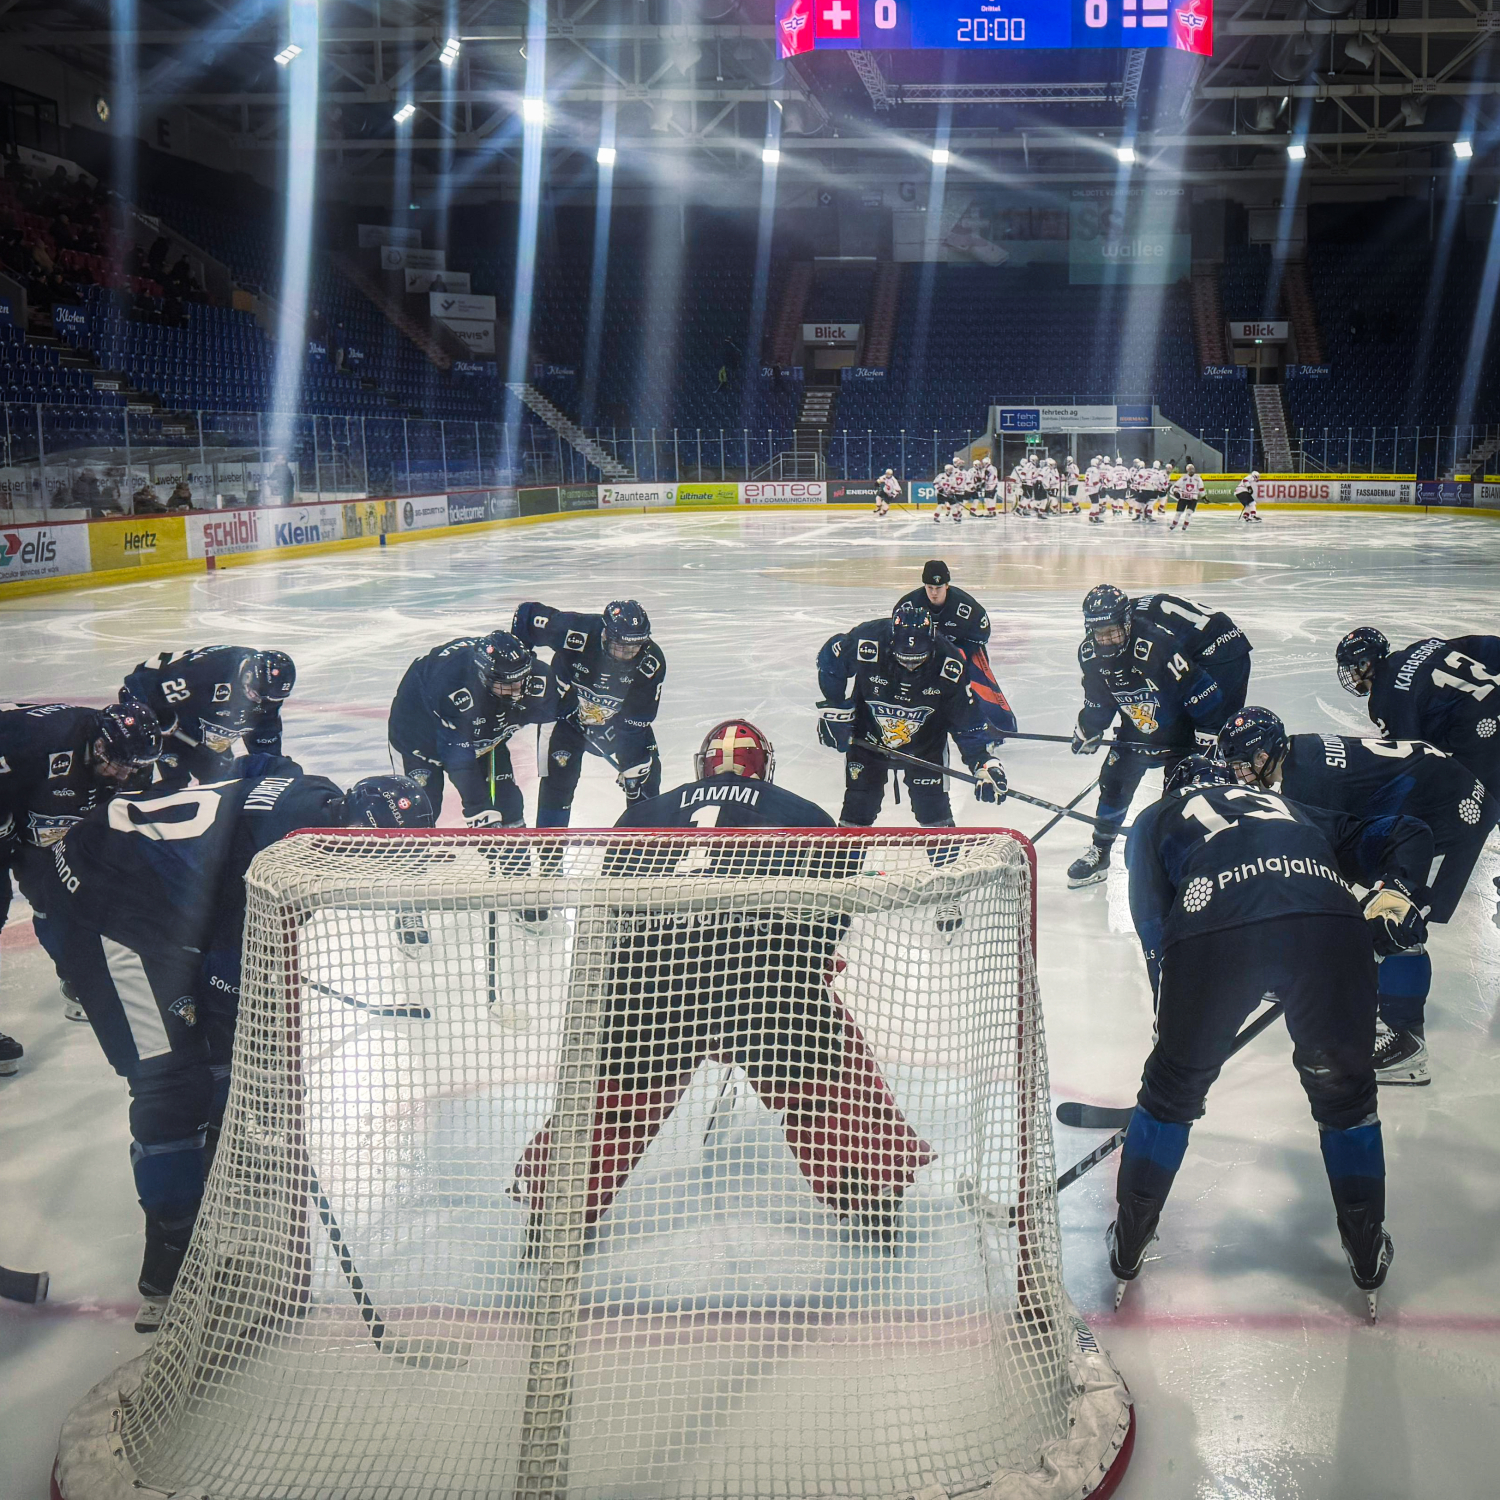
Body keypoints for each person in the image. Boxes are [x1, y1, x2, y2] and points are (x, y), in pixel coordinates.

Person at [512, 720, 934, 1248]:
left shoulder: (643, 813)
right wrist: (809, 964)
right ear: (766, 765)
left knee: (611, 1103)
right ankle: (874, 1205)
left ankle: (555, 1215)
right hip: (766, 988)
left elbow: (612, 914)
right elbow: (832, 915)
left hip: (656, 986)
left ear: (701, 766)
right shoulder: (805, 815)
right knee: (834, 1086)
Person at [41, 766, 434, 1331]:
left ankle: (213, 1154)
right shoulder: (281, 857)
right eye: (376, 856)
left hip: (148, 885)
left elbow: (255, 782)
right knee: (172, 1083)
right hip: (106, 906)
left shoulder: (316, 806)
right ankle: (171, 1265)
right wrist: (242, 1017)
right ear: (352, 833)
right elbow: (231, 963)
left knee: (223, 1050)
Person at [1119, 755, 1435, 1319]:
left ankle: (1128, 1244)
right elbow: (1406, 830)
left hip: (1215, 925)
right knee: (1345, 1100)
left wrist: (1176, 1038)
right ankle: (1365, 1251)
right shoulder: (1289, 807)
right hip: (1329, 922)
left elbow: (1154, 930)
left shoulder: (1153, 819)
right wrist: (1397, 890)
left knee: (1171, 1094)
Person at [1219, 706, 1500, 1085]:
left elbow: (1324, 869)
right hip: (1429, 798)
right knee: (1367, 900)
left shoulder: (1307, 782)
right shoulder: (1298, 758)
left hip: (1450, 814)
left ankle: (1407, 1043)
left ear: (1265, 754)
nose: (1240, 775)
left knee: (1397, 918)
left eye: (1243, 764)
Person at [816, 603, 1007, 931]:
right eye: (904, 658)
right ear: (892, 640)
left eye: (917, 659)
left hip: (926, 747)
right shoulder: (868, 640)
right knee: (856, 813)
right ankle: (840, 890)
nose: (910, 664)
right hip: (869, 741)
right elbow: (829, 660)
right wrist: (835, 707)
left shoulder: (950, 662)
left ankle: (948, 891)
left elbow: (967, 723)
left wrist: (983, 762)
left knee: (935, 816)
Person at [1066, 585, 1238, 889]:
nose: (1105, 640)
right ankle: (1101, 851)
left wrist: (1208, 733)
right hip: (1139, 724)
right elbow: (1099, 701)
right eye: (1098, 632)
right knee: (1114, 780)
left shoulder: (1157, 644)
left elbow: (1202, 691)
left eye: (1113, 631)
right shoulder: (1089, 654)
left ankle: (1174, 859)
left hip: (1180, 726)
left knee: (1179, 794)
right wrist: (1089, 729)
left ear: (1127, 622)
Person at [0, 700, 163, 1020]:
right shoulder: (36, 741)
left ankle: (79, 978)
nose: (126, 773)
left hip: (36, 821)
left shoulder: (132, 757)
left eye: (135, 767)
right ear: (99, 744)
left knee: (58, 901)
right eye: (119, 764)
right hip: (9, 799)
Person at [512, 599, 666, 826]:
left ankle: (643, 854)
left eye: (635, 647)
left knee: (644, 779)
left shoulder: (651, 663)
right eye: (621, 646)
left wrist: (632, 764)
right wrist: (523, 669)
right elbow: (526, 614)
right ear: (605, 635)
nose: (628, 654)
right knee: (556, 786)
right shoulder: (575, 629)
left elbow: (635, 723)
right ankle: (550, 860)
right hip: (564, 718)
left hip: (616, 722)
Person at [388, 631, 556, 826]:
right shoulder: (450, 684)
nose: (518, 691)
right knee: (419, 813)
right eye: (507, 684)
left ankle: (516, 857)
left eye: (521, 679)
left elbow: (560, 715)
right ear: (483, 676)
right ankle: (416, 855)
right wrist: (477, 808)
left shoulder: (536, 676)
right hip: (419, 742)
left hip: (481, 736)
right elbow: (458, 758)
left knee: (508, 805)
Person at [1335, 626, 1500, 795]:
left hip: (1484, 732)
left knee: (1464, 794)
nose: (1352, 676)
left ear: (1365, 664)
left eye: (1351, 668)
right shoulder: (1426, 646)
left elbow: (1409, 755)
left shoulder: (1384, 696)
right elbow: (1490, 647)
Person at [123, 646, 297, 788]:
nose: (259, 702)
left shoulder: (267, 699)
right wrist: (160, 715)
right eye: (255, 693)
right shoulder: (211, 669)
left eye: (268, 699)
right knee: (174, 783)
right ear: (248, 674)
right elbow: (138, 683)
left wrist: (276, 771)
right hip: (161, 705)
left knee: (218, 781)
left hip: (198, 719)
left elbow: (265, 747)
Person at [895, 559, 1018, 737]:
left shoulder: (968, 607)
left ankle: (997, 724)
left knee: (976, 678)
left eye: (938, 588)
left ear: (947, 585)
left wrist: (960, 654)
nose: (934, 593)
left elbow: (981, 636)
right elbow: (897, 638)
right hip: (922, 654)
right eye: (930, 588)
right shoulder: (908, 606)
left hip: (961, 651)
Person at [1127, 588, 1254, 729]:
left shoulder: (1139, 626)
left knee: (1216, 725)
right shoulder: (1130, 612)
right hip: (1220, 641)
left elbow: (1164, 660)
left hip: (1223, 653)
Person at [1168, 464, 1203, 530]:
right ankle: (1173, 524)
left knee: (1189, 513)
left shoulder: (1198, 478)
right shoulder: (1183, 478)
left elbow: (1201, 488)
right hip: (1183, 498)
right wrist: (1175, 492)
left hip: (1193, 499)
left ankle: (1185, 526)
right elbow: (1176, 486)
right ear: (1187, 470)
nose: (1192, 470)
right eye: (1190, 469)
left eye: (1193, 469)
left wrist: (1203, 496)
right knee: (1178, 513)